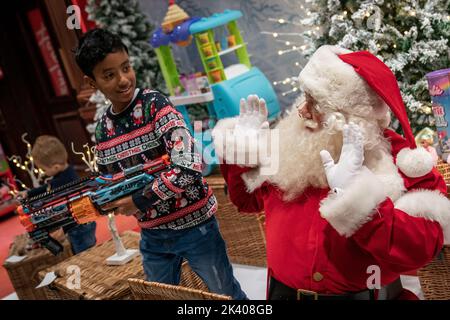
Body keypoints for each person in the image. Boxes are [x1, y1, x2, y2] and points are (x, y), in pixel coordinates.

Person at [212, 45, 450, 300]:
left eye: (315, 102)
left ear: (349, 117)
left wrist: (359, 200)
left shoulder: (401, 161)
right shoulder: (291, 147)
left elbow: (420, 248)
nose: (302, 109)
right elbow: (246, 200)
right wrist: (244, 151)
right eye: (305, 96)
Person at [74, 28, 247, 300]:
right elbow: (112, 182)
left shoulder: (155, 105)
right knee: (157, 296)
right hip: (153, 235)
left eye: (126, 68)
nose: (123, 80)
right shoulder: (103, 130)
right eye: (109, 75)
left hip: (196, 227)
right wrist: (104, 199)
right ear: (91, 82)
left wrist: (139, 200)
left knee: (224, 295)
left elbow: (190, 165)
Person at [24, 135, 97, 254]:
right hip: (79, 223)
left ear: (55, 167)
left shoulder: (66, 182)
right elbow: (48, 186)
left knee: (85, 253)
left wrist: (64, 229)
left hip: (80, 225)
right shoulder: (65, 173)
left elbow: (76, 208)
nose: (43, 173)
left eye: (44, 169)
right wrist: (29, 193)